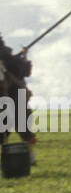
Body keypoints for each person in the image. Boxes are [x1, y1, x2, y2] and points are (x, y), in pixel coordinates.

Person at [1, 32, 36, 162]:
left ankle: (30, 158)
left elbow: (24, 72)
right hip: (8, 100)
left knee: (24, 132)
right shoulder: (11, 61)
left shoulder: (12, 61)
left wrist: (23, 56)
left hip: (14, 100)